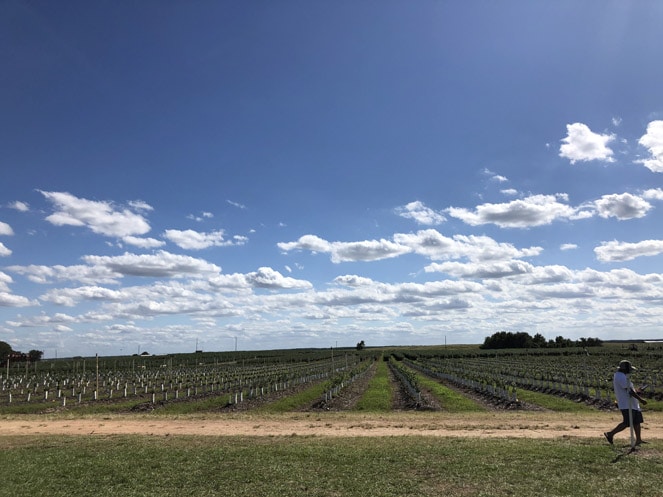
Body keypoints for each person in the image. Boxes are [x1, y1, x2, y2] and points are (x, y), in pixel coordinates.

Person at [604, 360, 647, 446]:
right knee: (627, 422)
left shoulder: (623, 376)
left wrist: (637, 391)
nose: (631, 371)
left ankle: (638, 440)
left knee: (637, 421)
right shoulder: (620, 377)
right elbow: (630, 391)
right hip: (626, 403)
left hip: (632, 403)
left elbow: (629, 390)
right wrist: (641, 399)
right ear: (625, 369)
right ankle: (610, 434)